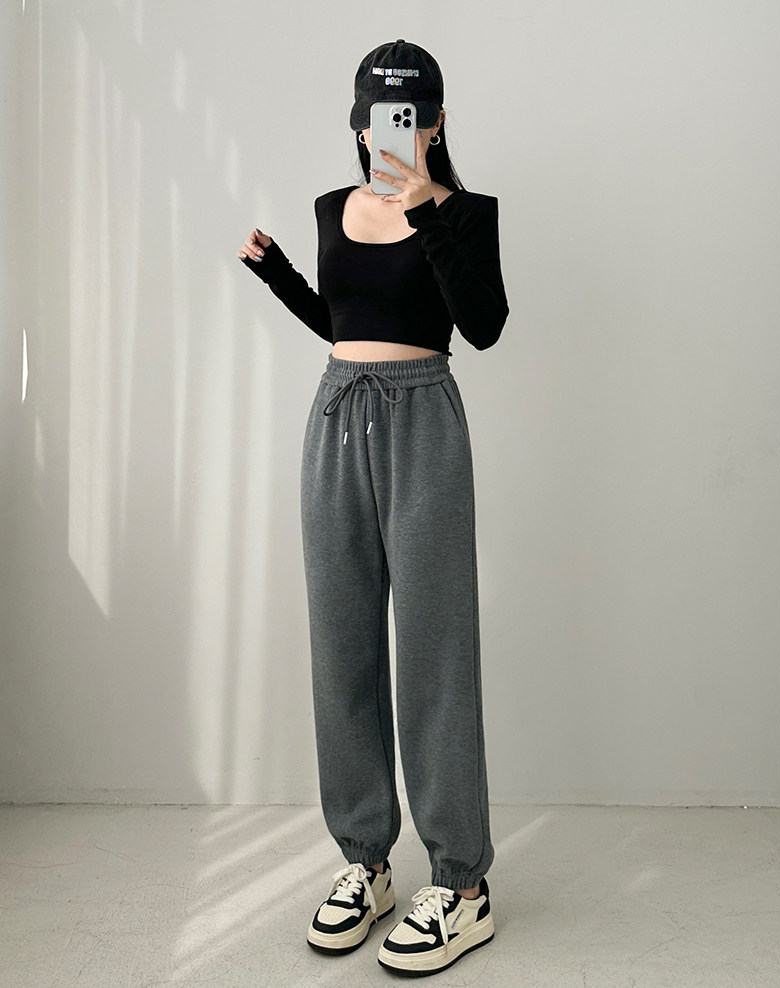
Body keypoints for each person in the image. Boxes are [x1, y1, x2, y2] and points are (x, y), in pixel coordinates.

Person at [237, 38, 509, 978]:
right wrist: (279, 275)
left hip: (424, 423)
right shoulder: (330, 208)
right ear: (358, 124)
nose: (391, 129)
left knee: (436, 651)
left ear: (435, 122)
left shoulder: (467, 212)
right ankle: (367, 862)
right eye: (378, 115)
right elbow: (345, 321)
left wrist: (427, 207)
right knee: (341, 649)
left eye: (411, 114)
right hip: (336, 418)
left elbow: (483, 326)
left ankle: (462, 887)